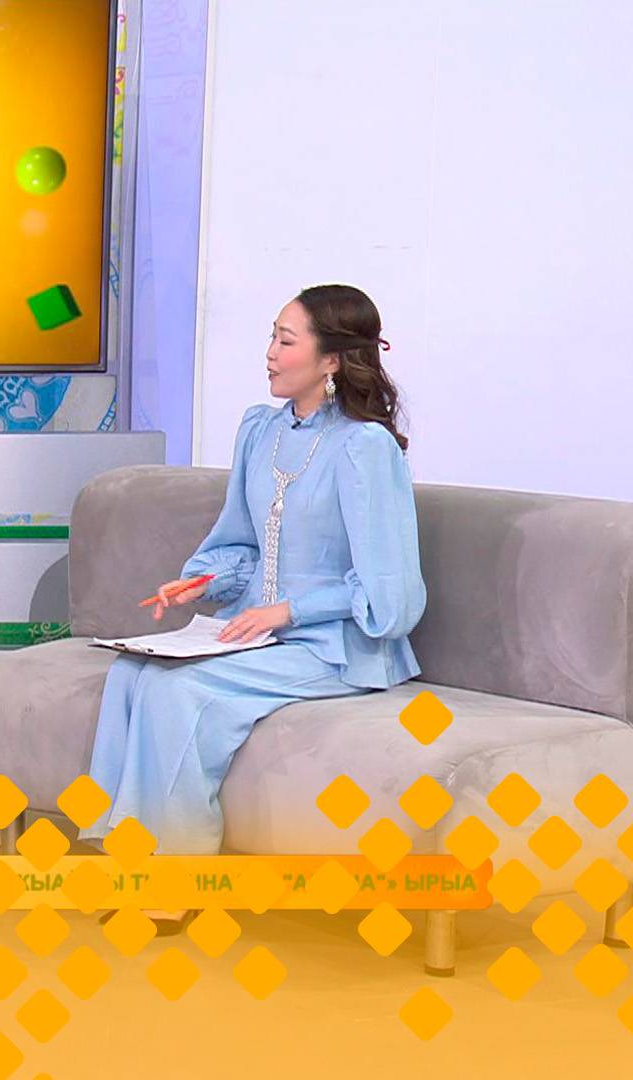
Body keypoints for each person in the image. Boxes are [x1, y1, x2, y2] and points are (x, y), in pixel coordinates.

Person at [80, 283, 426, 932]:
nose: (269, 353)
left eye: (285, 341)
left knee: (178, 693)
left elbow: (393, 594)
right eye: (271, 336)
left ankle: (179, 880)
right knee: (131, 673)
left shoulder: (364, 448)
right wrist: (204, 582)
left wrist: (288, 611)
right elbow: (240, 542)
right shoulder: (260, 432)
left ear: (331, 360)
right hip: (260, 634)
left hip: (337, 648)